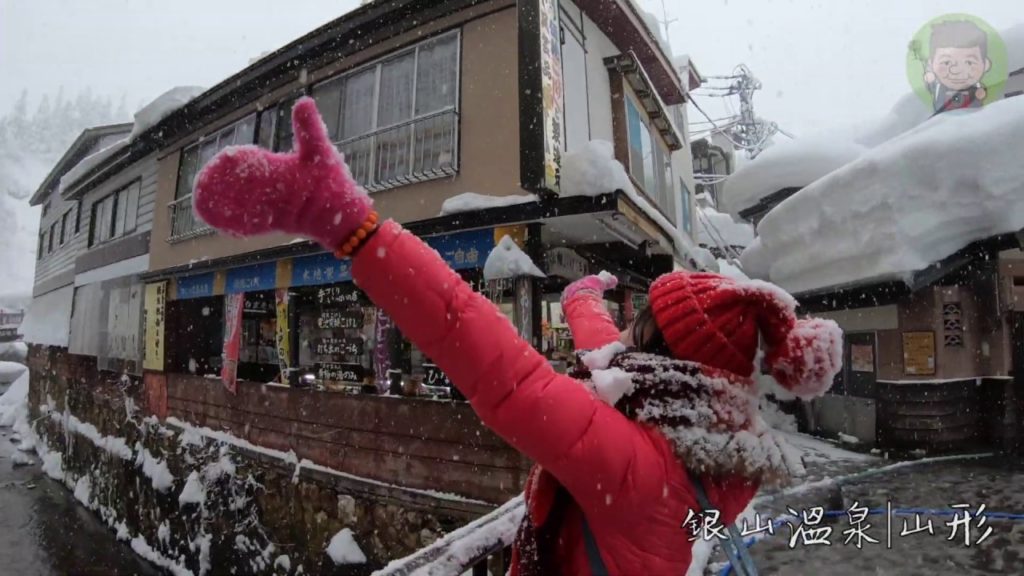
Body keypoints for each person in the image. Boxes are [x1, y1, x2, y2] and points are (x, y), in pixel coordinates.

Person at [193, 98, 843, 575]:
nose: (628, 335)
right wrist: (584, 298)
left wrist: (354, 228)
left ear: (667, 358)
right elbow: (607, 357)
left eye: (643, 325)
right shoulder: (716, 448)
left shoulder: (634, 464)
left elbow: (478, 343)